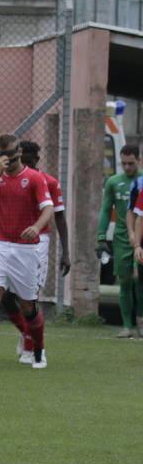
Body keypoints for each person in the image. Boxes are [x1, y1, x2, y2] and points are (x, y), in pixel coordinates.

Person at [0, 134, 53, 371]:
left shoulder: (34, 178)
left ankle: (38, 350)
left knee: (28, 305)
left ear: (18, 152)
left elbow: (48, 208)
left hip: (25, 248)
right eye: (0, 155)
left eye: (8, 154)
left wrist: (37, 227)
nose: (4, 159)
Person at [1, 141, 68, 365]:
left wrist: (66, 252)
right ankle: (26, 332)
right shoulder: (8, 178)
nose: (25, 166)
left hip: (38, 243)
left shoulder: (48, 182)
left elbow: (59, 216)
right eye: (21, 161)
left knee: (30, 297)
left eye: (29, 162)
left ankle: (33, 349)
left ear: (36, 161)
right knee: (4, 296)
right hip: (10, 241)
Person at [100, 144, 142, 337]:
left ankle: (140, 322)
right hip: (122, 239)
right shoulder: (113, 182)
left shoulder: (141, 181)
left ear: (138, 161)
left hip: (140, 238)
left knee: (139, 282)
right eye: (123, 163)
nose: (127, 167)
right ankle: (127, 326)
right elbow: (106, 209)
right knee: (125, 283)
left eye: (131, 163)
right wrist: (101, 235)